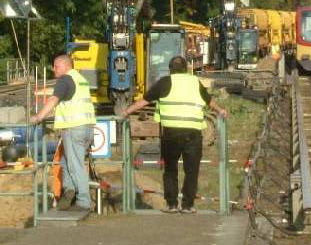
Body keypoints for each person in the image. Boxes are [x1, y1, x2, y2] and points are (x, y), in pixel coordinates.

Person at [122, 55, 227, 213]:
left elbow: (144, 101)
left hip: (171, 133)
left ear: (170, 69)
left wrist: (126, 112)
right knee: (192, 170)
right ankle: (188, 205)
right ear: (186, 69)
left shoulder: (165, 82)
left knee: (170, 169)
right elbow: (208, 100)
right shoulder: (194, 82)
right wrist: (220, 110)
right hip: (193, 132)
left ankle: (171, 204)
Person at [31, 55, 96, 212]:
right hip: (87, 128)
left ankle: (83, 201)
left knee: (75, 166)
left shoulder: (65, 80)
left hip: (74, 129)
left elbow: (54, 99)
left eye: (56, 66)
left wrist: (39, 116)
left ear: (66, 66)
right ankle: (68, 193)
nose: (54, 69)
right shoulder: (80, 78)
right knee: (67, 162)